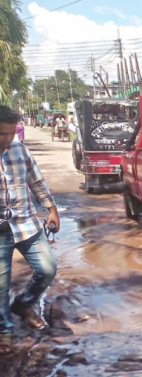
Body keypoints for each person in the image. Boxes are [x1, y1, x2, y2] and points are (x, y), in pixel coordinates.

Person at [0, 105, 60, 354]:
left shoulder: (19, 149)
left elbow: (36, 181)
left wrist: (51, 208)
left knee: (47, 269)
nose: (7, 138)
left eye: (11, 133)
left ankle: (23, 304)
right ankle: (4, 330)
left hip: (26, 223)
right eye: (2, 133)